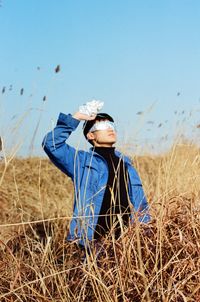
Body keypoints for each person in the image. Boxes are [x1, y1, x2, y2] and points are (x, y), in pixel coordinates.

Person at [42, 105, 150, 249]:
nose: (110, 128)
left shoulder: (126, 163)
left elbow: (140, 202)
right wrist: (76, 118)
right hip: (93, 241)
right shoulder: (81, 161)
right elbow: (51, 144)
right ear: (90, 135)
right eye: (103, 125)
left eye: (111, 125)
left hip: (125, 242)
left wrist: (145, 233)